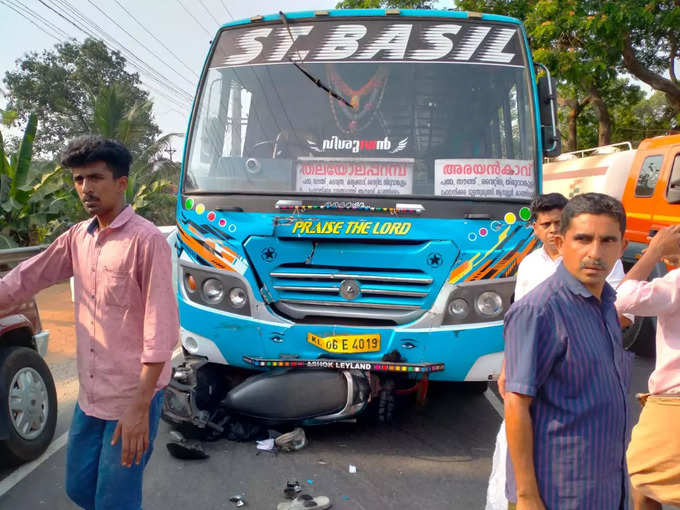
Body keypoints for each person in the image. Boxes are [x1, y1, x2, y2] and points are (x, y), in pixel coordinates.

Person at [0, 136, 179, 510]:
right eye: (79, 179)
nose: (86, 188)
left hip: (132, 398)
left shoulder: (147, 242)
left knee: (115, 501)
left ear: (121, 183)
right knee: (79, 489)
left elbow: (160, 332)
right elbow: (27, 277)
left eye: (95, 177)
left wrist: (138, 409)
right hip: (90, 399)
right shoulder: (77, 238)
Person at [485, 193, 629, 510]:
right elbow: (517, 403)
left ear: (621, 249)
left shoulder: (605, 304)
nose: (595, 252)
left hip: (606, 485)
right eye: (583, 239)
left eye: (607, 241)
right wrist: (526, 496)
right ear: (561, 244)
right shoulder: (540, 310)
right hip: (559, 492)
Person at [615, 224, 680, 510]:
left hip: (673, 404)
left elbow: (621, 299)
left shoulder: (676, 282)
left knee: (642, 476)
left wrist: (653, 253)